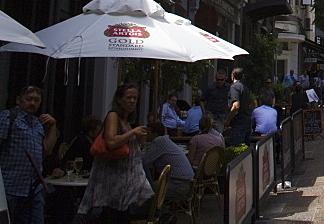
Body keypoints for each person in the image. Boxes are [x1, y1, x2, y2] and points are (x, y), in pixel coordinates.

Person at [76, 83, 153, 221]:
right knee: (113, 216)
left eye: (135, 98)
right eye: (129, 97)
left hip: (124, 185)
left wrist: (138, 139)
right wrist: (132, 133)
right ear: (119, 99)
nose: (132, 101)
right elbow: (111, 142)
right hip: (113, 183)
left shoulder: (126, 121)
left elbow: (126, 145)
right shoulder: (113, 116)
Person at [0, 85, 59, 223]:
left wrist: (53, 126)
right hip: (11, 187)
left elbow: (47, 150)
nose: (32, 103)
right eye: (29, 99)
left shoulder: (38, 123)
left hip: (33, 188)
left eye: (36, 100)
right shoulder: (8, 116)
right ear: (18, 100)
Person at [142, 122, 195, 201]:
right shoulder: (166, 141)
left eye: (148, 132)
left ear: (155, 134)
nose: (145, 134)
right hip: (188, 183)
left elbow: (144, 162)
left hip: (179, 185)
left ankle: (151, 211)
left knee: (144, 189)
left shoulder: (159, 142)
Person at [224, 67, 253, 146]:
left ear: (232, 76)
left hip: (238, 122)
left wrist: (228, 120)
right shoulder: (245, 88)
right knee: (246, 150)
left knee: (237, 150)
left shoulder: (234, 87)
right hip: (247, 121)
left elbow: (236, 106)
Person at [203, 69, 231, 133]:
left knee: (218, 133)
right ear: (215, 78)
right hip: (211, 114)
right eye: (218, 79)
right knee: (207, 132)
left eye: (221, 80)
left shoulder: (228, 88)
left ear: (225, 78)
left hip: (221, 116)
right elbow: (202, 99)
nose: (219, 81)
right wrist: (204, 111)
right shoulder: (210, 87)